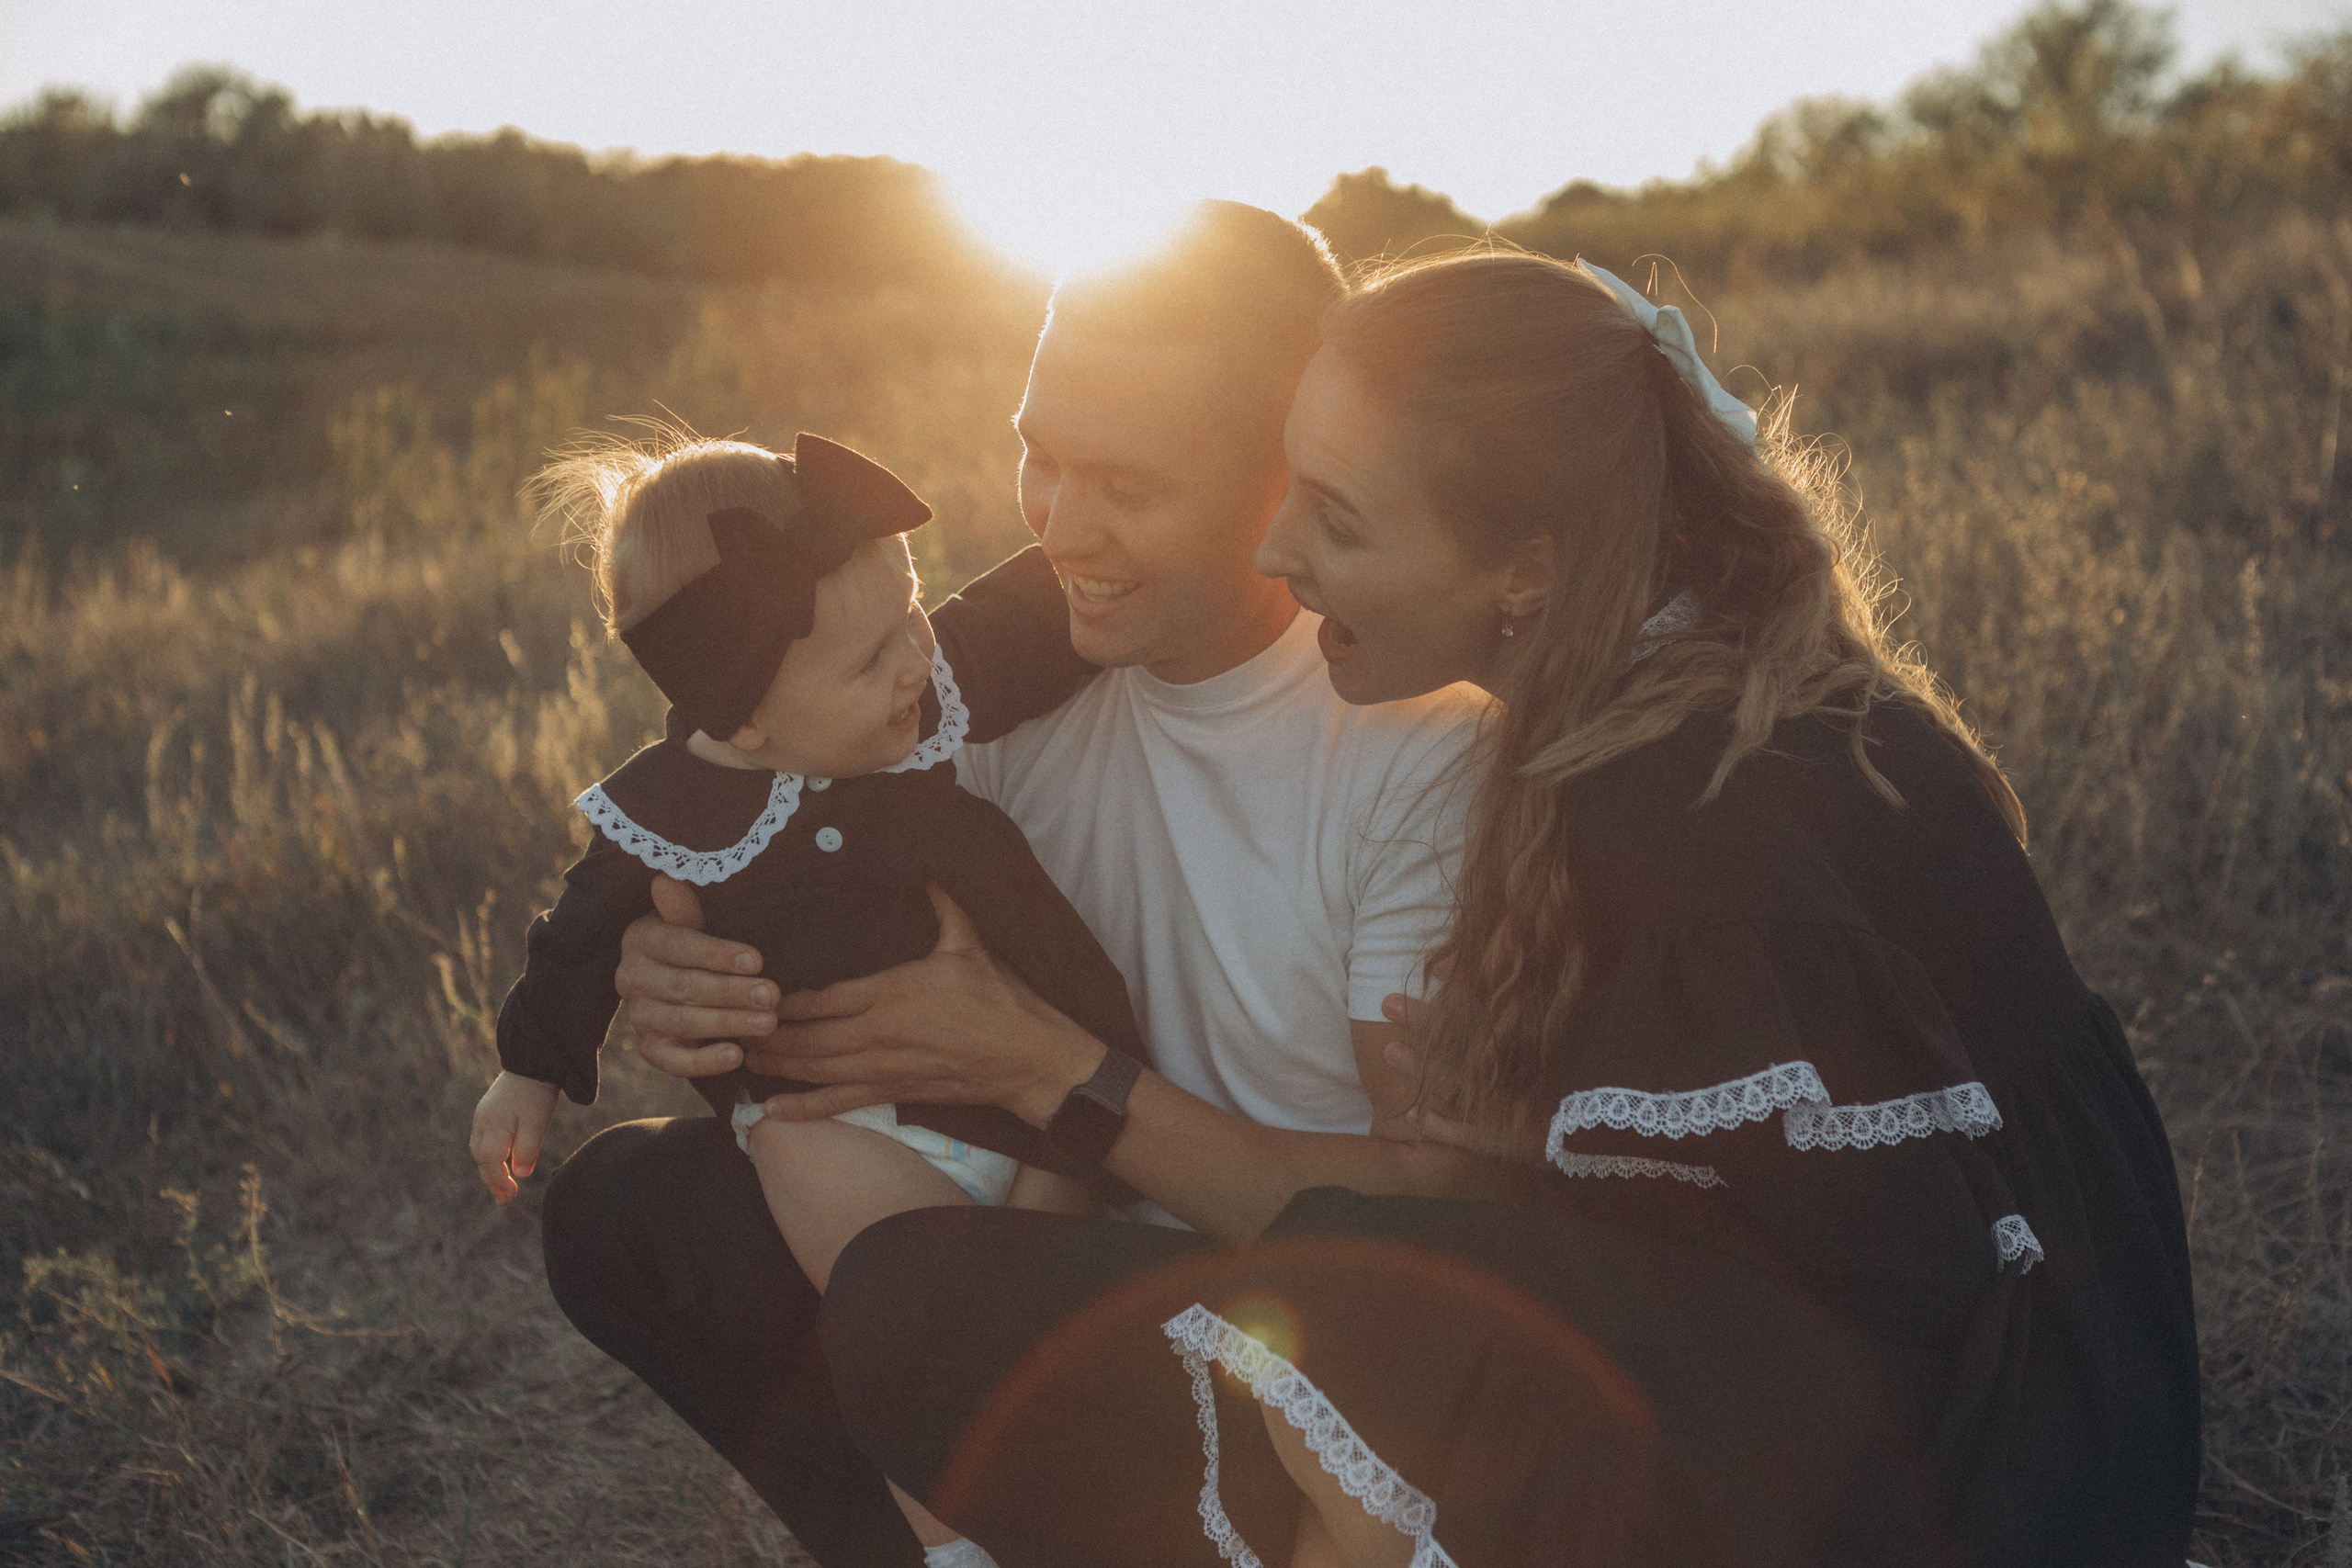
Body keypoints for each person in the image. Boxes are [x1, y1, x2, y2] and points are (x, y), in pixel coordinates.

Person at [659, 251, 2199, 1566]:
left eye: (1333, 512)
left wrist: (1473, 1144)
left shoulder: (1674, 812)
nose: (1278, 548)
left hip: (1945, 1455)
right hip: (1843, 1356)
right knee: (718, 1235)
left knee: (1328, 1320)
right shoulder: (1659, 688)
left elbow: (1809, 1279)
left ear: (1525, 570)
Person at [536, 204, 1492, 1568]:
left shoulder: (1413, 735)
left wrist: (1055, 1068)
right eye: (1039, 453)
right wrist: (686, 978)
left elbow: (1440, 1209)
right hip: (1023, 1255)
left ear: (1288, 471)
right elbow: (762, 820)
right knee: (635, 1211)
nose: (1059, 522)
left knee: (918, 1302)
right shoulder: (959, 691)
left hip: (1292, 1311)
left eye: (1130, 483)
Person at [467, 428, 1147, 1564]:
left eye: (914, 615)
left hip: (1025, 1084)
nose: (915, 661)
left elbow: (1031, 618)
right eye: (874, 654)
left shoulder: (924, 692)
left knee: (1025, 1282)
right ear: (742, 719)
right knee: (888, 1316)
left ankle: (1064, 1480)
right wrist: (529, 1064)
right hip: (840, 1122)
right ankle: (952, 1538)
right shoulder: (668, 809)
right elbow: (577, 939)